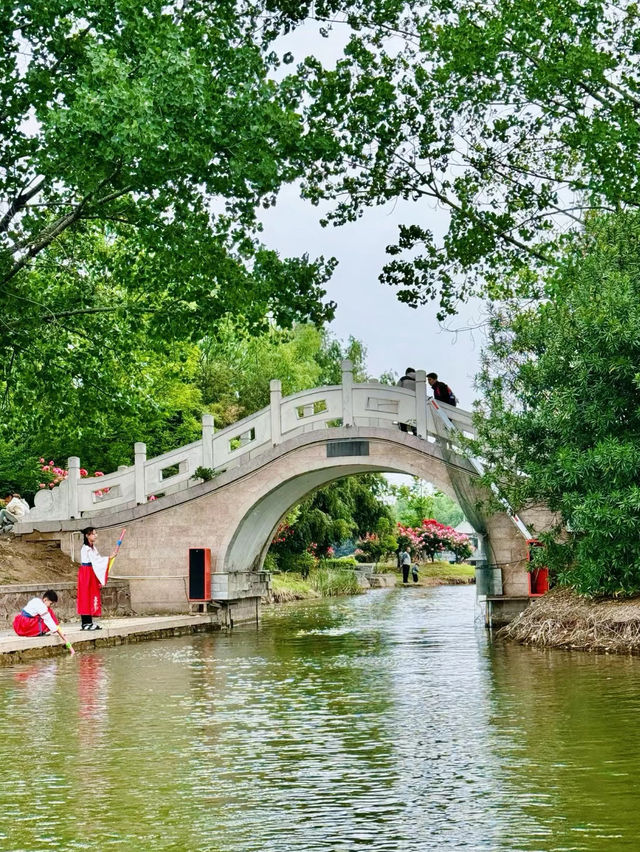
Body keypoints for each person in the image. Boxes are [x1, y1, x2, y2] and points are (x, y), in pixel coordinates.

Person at [77, 527, 117, 630]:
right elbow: (96, 561)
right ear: (87, 535)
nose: (95, 536)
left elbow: (98, 559)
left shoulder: (93, 548)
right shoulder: (85, 548)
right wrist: (109, 558)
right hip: (86, 573)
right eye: (93, 534)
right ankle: (85, 623)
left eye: (95, 534)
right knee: (85, 597)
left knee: (91, 596)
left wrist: (109, 558)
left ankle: (89, 622)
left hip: (91, 572)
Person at [397, 368, 418, 434]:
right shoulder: (419, 379)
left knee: (402, 418)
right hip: (415, 404)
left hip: (404, 402)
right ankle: (415, 431)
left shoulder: (403, 379)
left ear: (406, 372)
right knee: (413, 417)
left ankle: (404, 433)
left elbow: (397, 390)